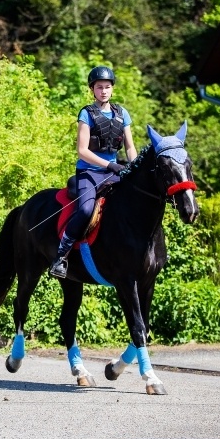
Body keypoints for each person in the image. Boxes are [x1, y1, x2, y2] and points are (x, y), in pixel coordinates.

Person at [49, 66, 138, 279]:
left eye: (107, 87)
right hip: (89, 173)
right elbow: (82, 151)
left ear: (112, 89)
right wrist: (109, 165)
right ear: (92, 89)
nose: (104, 91)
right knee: (87, 209)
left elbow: (130, 147)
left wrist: (133, 167)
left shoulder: (122, 113)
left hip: (115, 172)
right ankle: (61, 257)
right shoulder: (86, 113)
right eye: (100, 87)